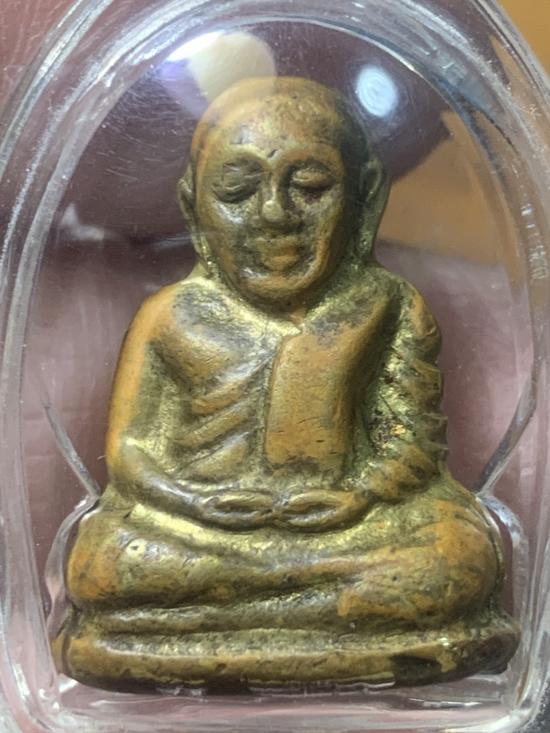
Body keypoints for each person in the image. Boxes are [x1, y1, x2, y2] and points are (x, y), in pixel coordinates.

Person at [53, 77, 518, 690]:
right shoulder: (169, 316)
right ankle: (344, 627)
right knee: (103, 562)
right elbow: (130, 452)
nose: (274, 214)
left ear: (365, 198)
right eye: (237, 190)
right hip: (197, 531)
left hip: (347, 529)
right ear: (193, 204)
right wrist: (193, 504)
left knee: (458, 555)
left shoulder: (387, 304)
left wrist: (358, 499)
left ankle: (208, 632)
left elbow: (414, 447)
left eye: (311, 186)